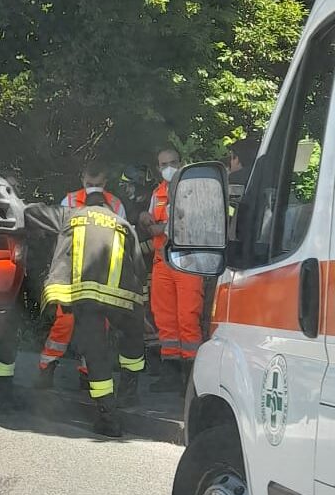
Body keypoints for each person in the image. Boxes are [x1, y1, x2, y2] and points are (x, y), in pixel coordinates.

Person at [23, 194, 147, 436]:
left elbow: (33, 213)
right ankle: (129, 394)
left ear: (86, 205)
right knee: (131, 343)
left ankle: (108, 416)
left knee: (96, 353)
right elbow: (139, 267)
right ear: (109, 207)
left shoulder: (72, 215)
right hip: (121, 297)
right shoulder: (123, 224)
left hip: (85, 296)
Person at [34, 164, 126, 389]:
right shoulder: (70, 201)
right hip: (72, 273)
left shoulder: (115, 204)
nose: (94, 188)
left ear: (106, 182)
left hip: (100, 275)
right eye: (90, 184)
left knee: (96, 327)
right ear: (82, 178)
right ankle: (47, 368)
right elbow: (60, 236)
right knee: (64, 324)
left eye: (99, 185)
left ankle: (88, 372)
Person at [139, 145, 205, 393]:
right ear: (158, 168)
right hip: (163, 260)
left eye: (172, 162)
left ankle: (191, 376)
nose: (167, 168)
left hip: (188, 259)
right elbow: (152, 224)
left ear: (182, 161)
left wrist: (161, 228)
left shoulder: (195, 189)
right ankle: (171, 370)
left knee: (187, 316)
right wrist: (146, 219)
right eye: (163, 164)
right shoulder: (158, 192)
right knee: (164, 317)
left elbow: (195, 220)